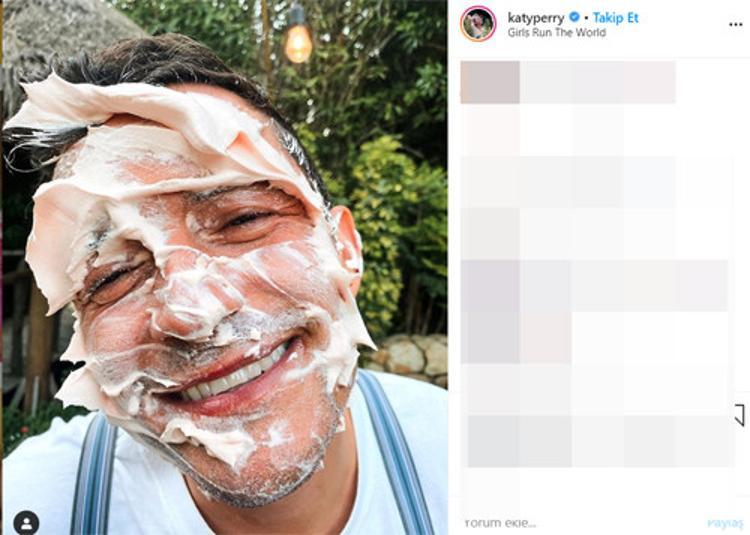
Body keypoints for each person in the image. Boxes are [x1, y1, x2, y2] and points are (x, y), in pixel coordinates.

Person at [2, 34, 447, 534]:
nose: (191, 312)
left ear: (345, 249)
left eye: (243, 220)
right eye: (114, 276)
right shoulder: (36, 503)